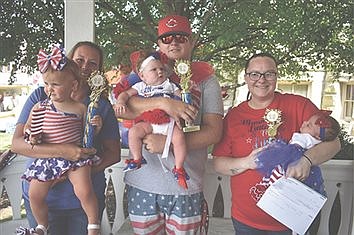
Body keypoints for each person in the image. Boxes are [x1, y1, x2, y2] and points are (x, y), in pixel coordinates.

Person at [116, 15, 224, 234]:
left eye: (181, 37)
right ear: (159, 44)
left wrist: (167, 144)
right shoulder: (143, 72)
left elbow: (214, 132)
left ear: (192, 41)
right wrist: (164, 103)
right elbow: (123, 106)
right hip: (143, 183)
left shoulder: (206, 79)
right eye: (166, 38)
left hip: (186, 186)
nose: (173, 42)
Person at [212, 52, 341, 234]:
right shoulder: (234, 116)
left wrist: (306, 160)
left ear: (276, 76)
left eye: (269, 74)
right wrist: (246, 162)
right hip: (246, 220)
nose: (261, 80)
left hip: (291, 220)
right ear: (246, 77)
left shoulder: (298, 105)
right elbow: (218, 162)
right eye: (255, 74)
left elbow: (334, 144)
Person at [11, 41, 120, 235]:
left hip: (81, 203)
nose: (85, 66)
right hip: (44, 197)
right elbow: (18, 144)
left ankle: (93, 224)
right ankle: (41, 227)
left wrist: (76, 171)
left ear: (98, 70)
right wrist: (64, 154)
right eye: (80, 59)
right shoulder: (39, 98)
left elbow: (114, 154)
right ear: (69, 61)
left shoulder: (98, 105)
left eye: (92, 63)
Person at [115, 51, 189, 189]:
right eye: (154, 70)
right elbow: (125, 94)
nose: (159, 72)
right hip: (149, 123)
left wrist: (186, 92)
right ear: (142, 75)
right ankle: (137, 158)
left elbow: (183, 96)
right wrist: (120, 102)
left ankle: (179, 168)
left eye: (161, 69)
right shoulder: (141, 86)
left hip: (168, 123)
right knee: (134, 132)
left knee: (179, 138)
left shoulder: (169, 85)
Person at [255, 111, 341, 195]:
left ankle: (268, 187)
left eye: (309, 125)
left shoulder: (304, 138)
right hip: (308, 170)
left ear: (317, 136)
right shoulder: (317, 141)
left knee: (278, 171)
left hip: (291, 162)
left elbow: (292, 149)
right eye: (307, 121)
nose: (304, 122)